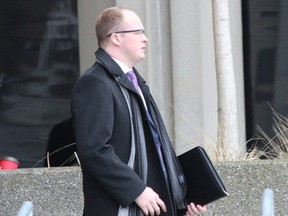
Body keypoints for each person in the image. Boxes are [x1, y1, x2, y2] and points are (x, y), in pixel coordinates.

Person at [71, 6, 207, 216]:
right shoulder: (95, 83)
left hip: (151, 206)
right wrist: (137, 190)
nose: (145, 39)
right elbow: (94, 149)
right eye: (138, 32)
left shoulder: (133, 82)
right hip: (121, 208)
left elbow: (155, 149)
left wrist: (181, 200)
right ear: (116, 38)